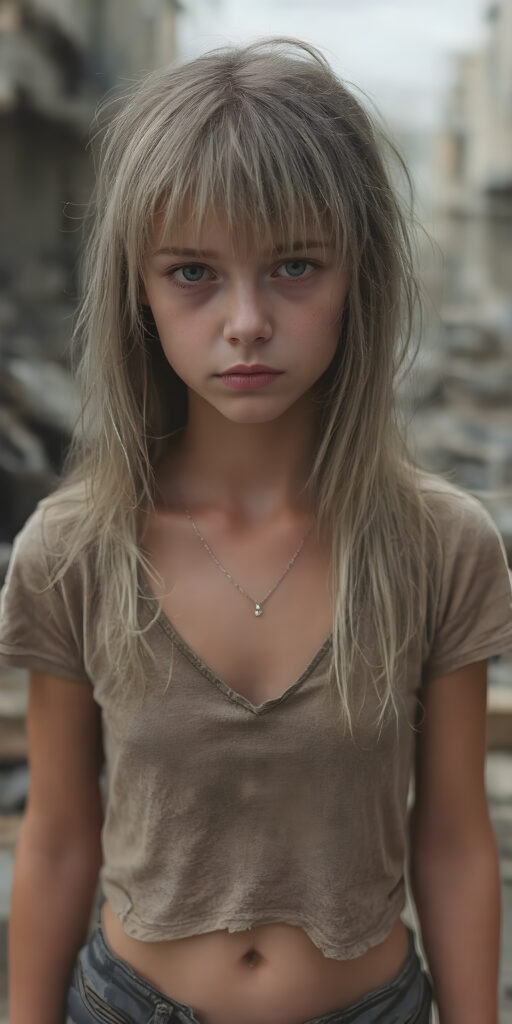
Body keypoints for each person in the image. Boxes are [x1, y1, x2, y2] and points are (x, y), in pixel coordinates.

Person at [2, 35, 512, 1024]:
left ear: (357, 275)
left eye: (293, 266)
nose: (245, 321)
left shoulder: (440, 547)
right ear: (139, 290)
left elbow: (452, 839)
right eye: (194, 271)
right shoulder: (75, 550)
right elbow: (59, 837)